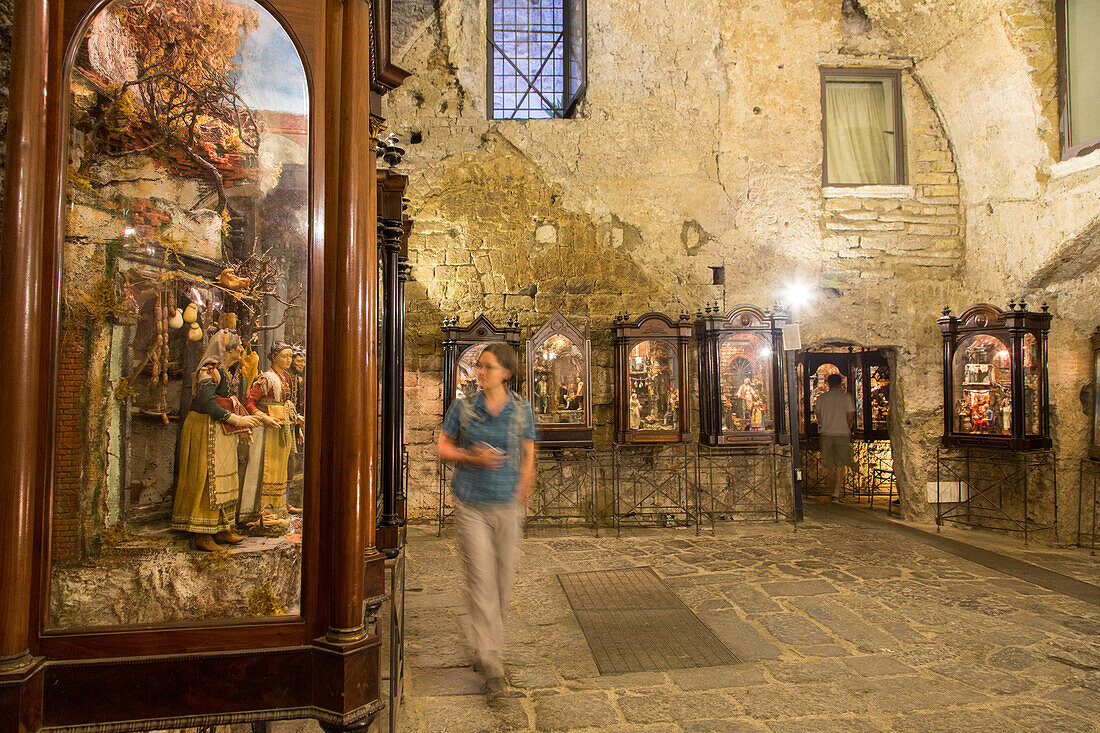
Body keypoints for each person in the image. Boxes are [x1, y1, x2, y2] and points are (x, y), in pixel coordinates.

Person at [436, 342, 535, 696]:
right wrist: (471, 457)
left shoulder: (522, 410)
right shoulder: (463, 408)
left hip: (507, 507)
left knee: (503, 583)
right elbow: (443, 448)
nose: (480, 372)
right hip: (472, 505)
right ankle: (491, 660)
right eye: (479, 366)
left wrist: (523, 486)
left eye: (488, 367)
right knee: (481, 581)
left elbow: (528, 454)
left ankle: (486, 643)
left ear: (506, 372)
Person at [171, 329, 261, 551]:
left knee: (224, 477)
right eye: (238, 346)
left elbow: (227, 401)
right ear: (227, 349)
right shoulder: (208, 372)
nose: (241, 349)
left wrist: (240, 424)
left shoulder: (225, 373)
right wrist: (237, 421)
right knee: (208, 476)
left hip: (219, 430)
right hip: (204, 428)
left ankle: (222, 527)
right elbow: (206, 404)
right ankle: (203, 533)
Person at [240, 342, 302, 526]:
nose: (288, 360)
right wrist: (262, 417)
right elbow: (249, 402)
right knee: (262, 467)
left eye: (290, 356)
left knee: (280, 469)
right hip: (266, 430)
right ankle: (258, 510)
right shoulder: (265, 378)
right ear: (274, 357)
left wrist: (297, 418)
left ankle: (277, 508)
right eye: (284, 356)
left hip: (281, 429)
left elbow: (286, 405)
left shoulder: (287, 378)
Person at [814, 372, 855, 502]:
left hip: (827, 433)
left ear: (828, 384)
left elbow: (818, 418)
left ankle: (832, 490)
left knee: (830, 464)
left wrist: (825, 424)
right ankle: (836, 492)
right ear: (840, 383)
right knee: (841, 464)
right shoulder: (846, 398)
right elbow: (851, 416)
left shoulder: (822, 399)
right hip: (842, 433)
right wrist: (846, 428)